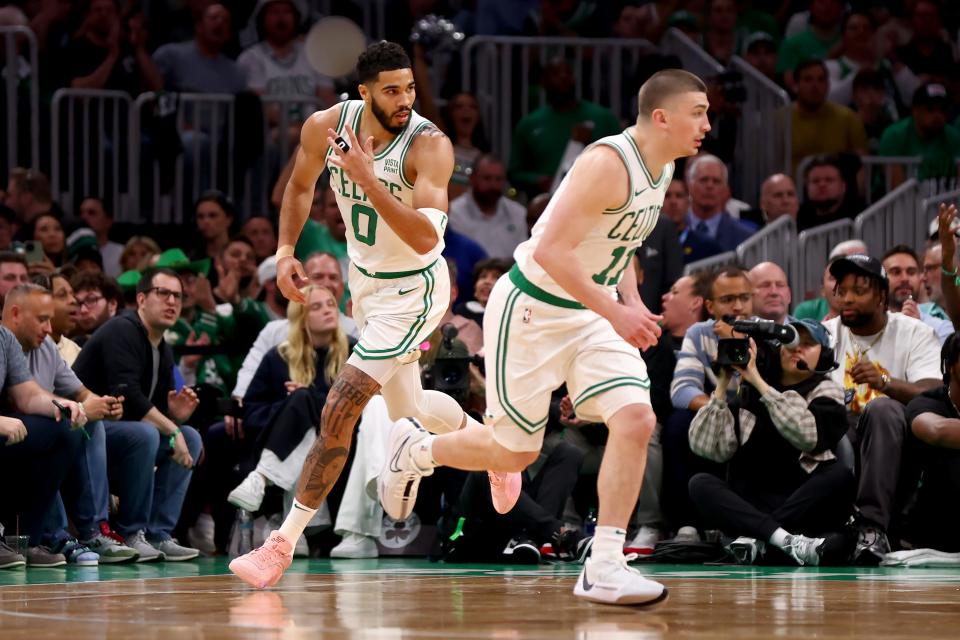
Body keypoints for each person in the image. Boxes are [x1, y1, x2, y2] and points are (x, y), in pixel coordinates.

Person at [380, 69, 711, 606]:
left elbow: (620, 242)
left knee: (636, 417)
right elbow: (553, 251)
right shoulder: (607, 163)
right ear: (662, 116)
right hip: (532, 310)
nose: (707, 123)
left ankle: (604, 564)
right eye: (698, 111)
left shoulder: (664, 166)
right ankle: (417, 451)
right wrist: (617, 311)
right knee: (514, 454)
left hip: (590, 313)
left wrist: (630, 304)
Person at [230, 41, 511, 588]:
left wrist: (367, 180)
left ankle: (281, 543)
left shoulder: (428, 145)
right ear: (364, 92)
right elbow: (299, 186)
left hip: (416, 290)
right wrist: (286, 250)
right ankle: (494, 449)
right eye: (391, 90)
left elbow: (429, 239)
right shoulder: (327, 125)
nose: (405, 99)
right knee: (409, 404)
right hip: (369, 286)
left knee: (342, 404)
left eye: (409, 88)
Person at [688, 319, 854, 565]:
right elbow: (707, 447)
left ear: (825, 356)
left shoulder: (827, 390)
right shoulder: (748, 393)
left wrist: (760, 383)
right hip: (752, 499)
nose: (797, 348)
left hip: (800, 502)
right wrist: (722, 385)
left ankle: (762, 539)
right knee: (699, 483)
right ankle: (782, 541)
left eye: (808, 344)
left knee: (840, 475)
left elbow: (807, 436)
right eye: (790, 342)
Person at [73, 267, 204, 561]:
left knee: (191, 438)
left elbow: (148, 409)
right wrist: (171, 427)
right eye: (163, 293)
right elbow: (129, 397)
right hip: (86, 433)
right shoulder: (123, 329)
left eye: (178, 296)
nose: (172, 301)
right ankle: (132, 531)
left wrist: (176, 418)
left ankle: (157, 534)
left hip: (124, 438)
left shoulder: (162, 346)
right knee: (148, 434)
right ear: (142, 299)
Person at [823, 254, 941, 564]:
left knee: (882, 409)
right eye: (842, 291)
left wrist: (886, 383)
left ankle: (871, 528)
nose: (847, 299)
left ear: (881, 296)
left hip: (898, 449)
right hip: (838, 442)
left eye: (858, 291)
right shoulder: (826, 335)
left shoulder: (913, 332)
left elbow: (934, 391)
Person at [881, 244, 953, 343]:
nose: (905, 279)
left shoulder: (942, 329)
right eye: (896, 272)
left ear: (920, 278)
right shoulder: (868, 326)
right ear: (881, 279)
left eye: (911, 272)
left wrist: (919, 331)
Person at [78, 198, 124, 277]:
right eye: (81, 213)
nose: (84, 217)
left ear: (108, 221)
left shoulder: (122, 253)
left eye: (92, 213)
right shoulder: (70, 250)